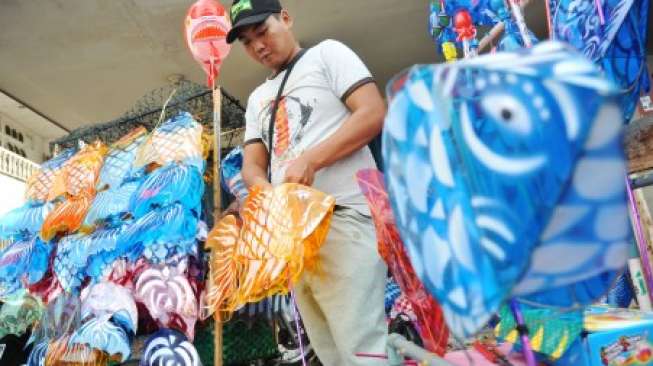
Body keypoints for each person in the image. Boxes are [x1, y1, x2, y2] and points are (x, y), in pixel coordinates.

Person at [226, 0, 389, 364]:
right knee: (328, 351)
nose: (258, 46)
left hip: (342, 219)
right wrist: (262, 189)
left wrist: (312, 159)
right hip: (294, 240)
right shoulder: (256, 100)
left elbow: (373, 111)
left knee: (363, 349)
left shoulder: (327, 55)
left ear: (286, 18)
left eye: (263, 31)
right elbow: (253, 165)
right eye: (248, 42)